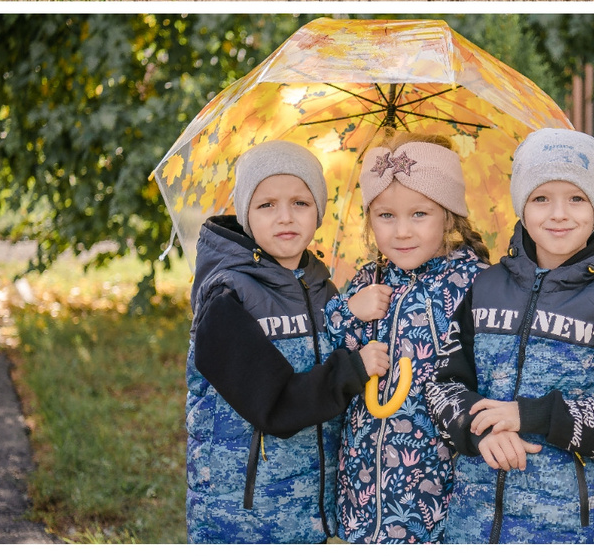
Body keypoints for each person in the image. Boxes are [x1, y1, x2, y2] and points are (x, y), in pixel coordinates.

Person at [426, 129, 594, 544]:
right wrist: (480, 429)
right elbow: (444, 384)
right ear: (521, 205)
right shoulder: (486, 287)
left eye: (576, 198)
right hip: (474, 526)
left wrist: (532, 416)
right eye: (541, 198)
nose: (558, 214)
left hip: (574, 532)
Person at [187, 142, 373, 543]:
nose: (285, 217)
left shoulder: (326, 290)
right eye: (267, 204)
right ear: (246, 214)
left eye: (301, 203)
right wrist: (355, 369)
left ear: (319, 213)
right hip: (244, 516)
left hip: (314, 516)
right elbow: (276, 407)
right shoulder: (225, 298)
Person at [322, 142, 485, 543]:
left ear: (449, 216)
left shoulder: (475, 283)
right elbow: (328, 351)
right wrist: (349, 313)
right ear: (369, 220)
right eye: (386, 216)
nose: (402, 231)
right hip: (366, 469)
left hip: (435, 466)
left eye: (419, 214)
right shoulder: (368, 280)